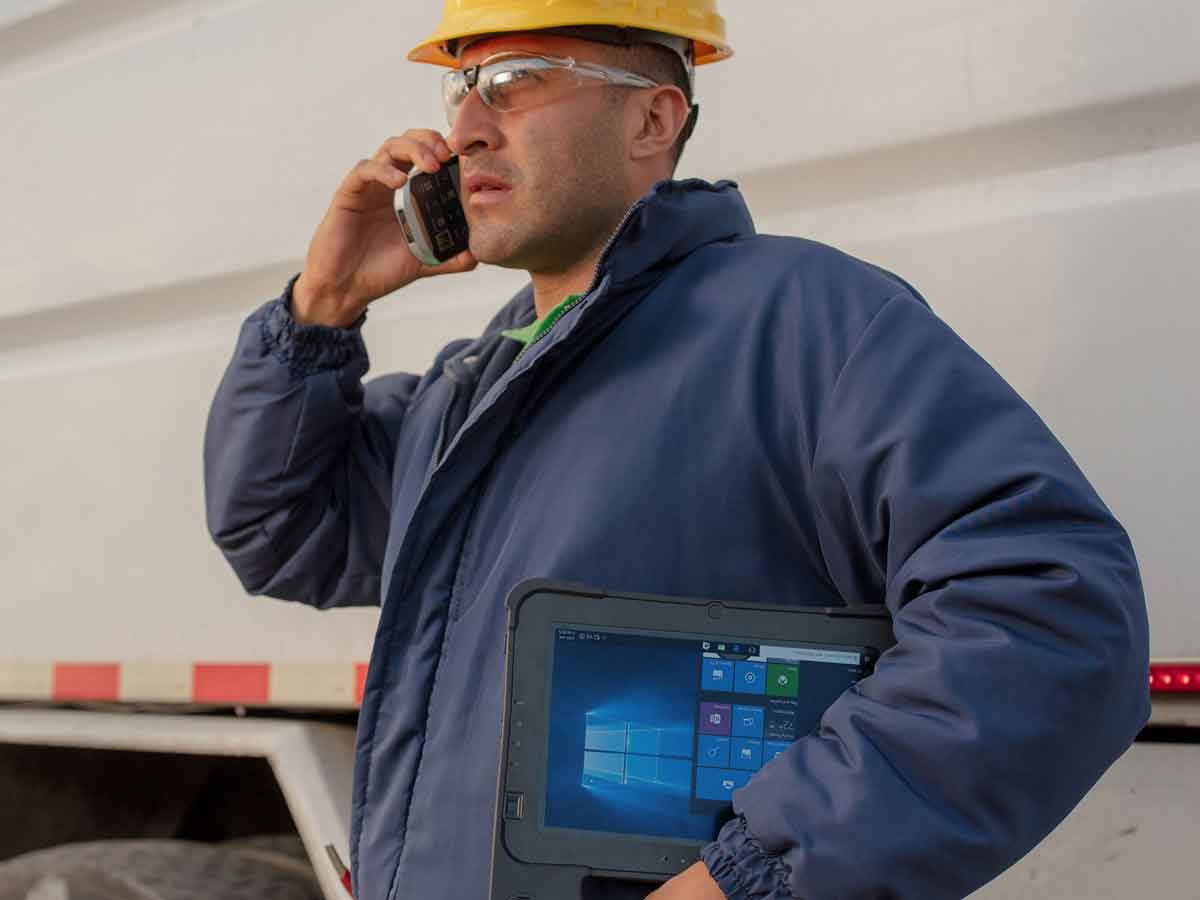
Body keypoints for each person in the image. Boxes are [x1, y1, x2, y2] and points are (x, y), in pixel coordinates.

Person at [203, 3, 1150, 899]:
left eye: (520, 78)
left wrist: (760, 875)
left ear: (653, 118)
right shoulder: (467, 393)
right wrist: (320, 308)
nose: (470, 127)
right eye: (462, 85)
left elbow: (1051, 616)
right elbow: (281, 528)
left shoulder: (803, 323)